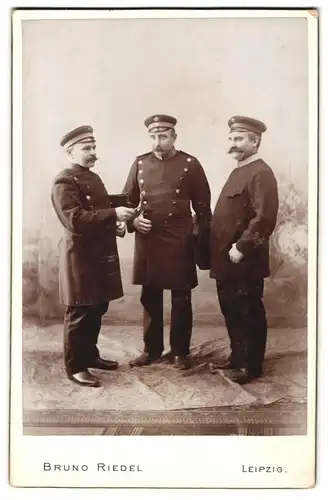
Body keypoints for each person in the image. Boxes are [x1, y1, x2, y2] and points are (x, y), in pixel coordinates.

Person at [123, 114, 212, 370]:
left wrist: (199, 240)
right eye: (153, 136)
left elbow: (203, 208)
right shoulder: (140, 163)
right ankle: (151, 350)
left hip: (180, 238)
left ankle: (180, 352)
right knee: (150, 296)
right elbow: (128, 203)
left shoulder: (190, 164)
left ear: (174, 137)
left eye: (162, 136)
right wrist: (133, 223)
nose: (157, 142)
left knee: (181, 297)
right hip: (148, 237)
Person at [51, 125, 135, 387]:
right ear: (71, 151)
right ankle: (75, 367)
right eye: (86, 148)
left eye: (94, 147)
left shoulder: (91, 177)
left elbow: (97, 208)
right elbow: (74, 219)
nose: (93, 153)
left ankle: (90, 356)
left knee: (98, 307)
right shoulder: (64, 181)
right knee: (81, 311)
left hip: (98, 255)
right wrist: (114, 214)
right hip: (80, 258)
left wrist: (117, 218)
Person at [210, 116, 279, 385]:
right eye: (231, 139)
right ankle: (238, 357)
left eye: (239, 139)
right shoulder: (239, 170)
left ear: (255, 141)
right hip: (226, 259)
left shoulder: (261, 173)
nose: (233, 144)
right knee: (231, 309)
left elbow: (264, 218)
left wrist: (242, 247)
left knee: (248, 310)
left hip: (244, 258)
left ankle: (251, 365)